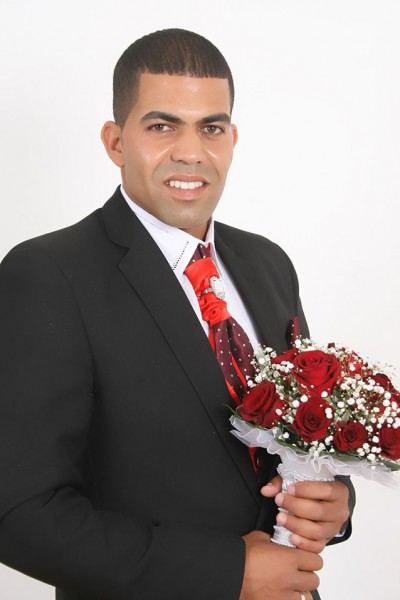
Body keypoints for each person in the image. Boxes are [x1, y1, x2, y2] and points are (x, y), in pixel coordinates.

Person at [0, 29, 354, 600]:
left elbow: (293, 443)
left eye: (211, 128)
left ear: (232, 139)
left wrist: (333, 503)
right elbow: (19, 514)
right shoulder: (49, 274)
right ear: (116, 141)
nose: (191, 152)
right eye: (162, 126)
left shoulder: (268, 263)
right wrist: (226, 571)